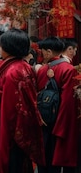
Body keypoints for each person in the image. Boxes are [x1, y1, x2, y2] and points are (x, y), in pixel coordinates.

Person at [0, 28, 45, 173]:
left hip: (6, 127)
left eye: (2, 45)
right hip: (12, 123)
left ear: (9, 47)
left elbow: (11, 109)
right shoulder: (22, 66)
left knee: (6, 163)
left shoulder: (13, 71)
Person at [36, 37, 78, 173]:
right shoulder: (68, 69)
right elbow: (67, 103)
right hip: (60, 123)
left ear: (48, 52)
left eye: (42, 52)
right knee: (58, 160)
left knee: (44, 161)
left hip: (43, 121)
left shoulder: (42, 70)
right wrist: (61, 129)